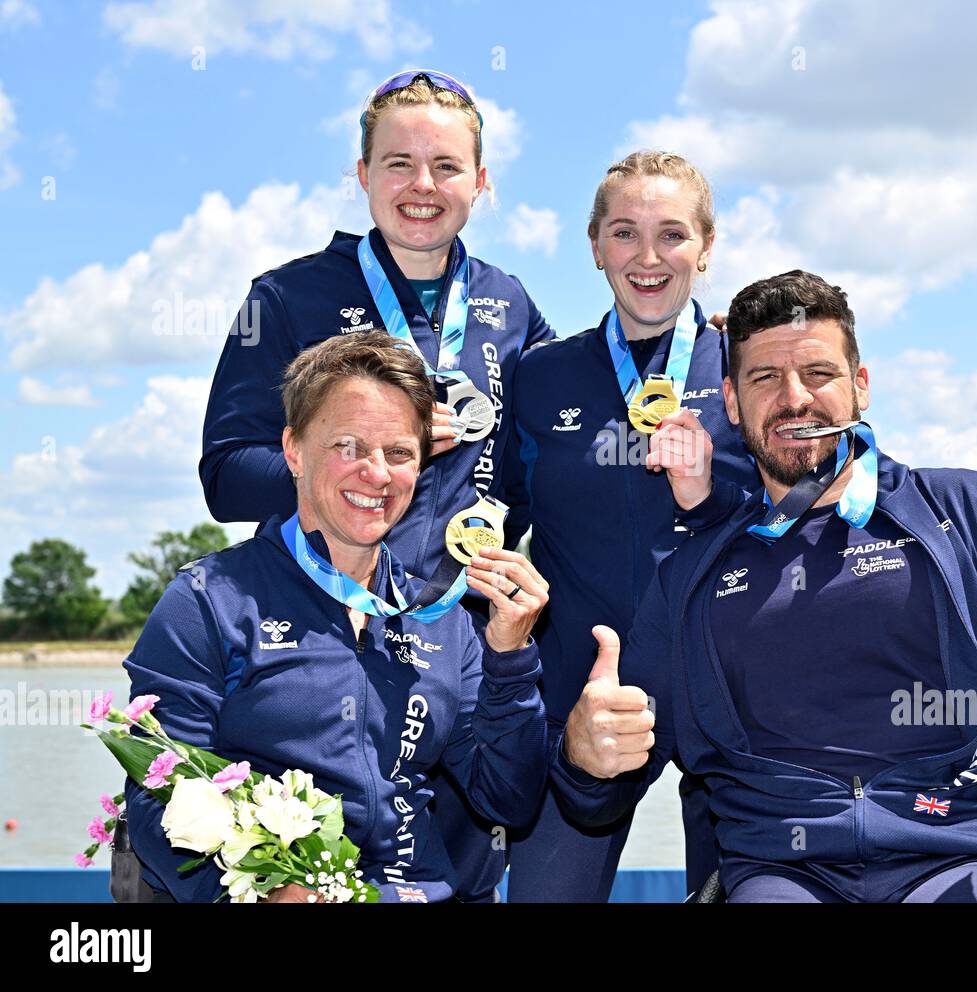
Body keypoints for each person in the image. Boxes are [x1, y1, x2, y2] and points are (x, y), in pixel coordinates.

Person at [552, 270, 977, 903]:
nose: (794, 398)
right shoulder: (690, 575)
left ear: (861, 384)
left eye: (819, 373)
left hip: (972, 856)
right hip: (785, 871)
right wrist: (587, 758)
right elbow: (601, 790)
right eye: (764, 378)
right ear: (731, 401)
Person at [199, 70, 553, 899]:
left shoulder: (507, 304)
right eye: (398, 163)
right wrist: (365, 453)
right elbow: (224, 477)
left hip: (453, 650)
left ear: (482, 181)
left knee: (446, 878)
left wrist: (691, 343)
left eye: (446, 166)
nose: (422, 187)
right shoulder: (287, 297)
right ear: (362, 175)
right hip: (316, 638)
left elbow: (571, 416)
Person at [126, 331, 549, 903]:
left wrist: (510, 660)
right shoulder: (209, 600)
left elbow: (508, 801)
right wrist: (270, 895)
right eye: (347, 446)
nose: (375, 473)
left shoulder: (442, 617)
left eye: (399, 453)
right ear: (294, 449)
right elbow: (158, 799)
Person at [500, 151, 760, 901]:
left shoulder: (751, 366)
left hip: (733, 702)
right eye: (624, 233)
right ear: (593, 246)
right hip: (586, 697)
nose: (648, 258)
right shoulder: (541, 375)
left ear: (706, 249)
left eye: (673, 235)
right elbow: (495, 513)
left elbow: (802, 510)